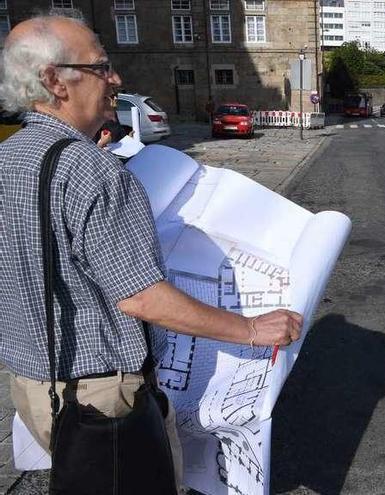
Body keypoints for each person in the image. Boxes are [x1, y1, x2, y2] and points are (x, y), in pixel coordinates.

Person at [0, 14, 303, 491]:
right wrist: (250, 328)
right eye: (101, 67)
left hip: (35, 387)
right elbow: (142, 298)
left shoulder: (11, 156)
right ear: (55, 81)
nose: (116, 79)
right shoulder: (91, 171)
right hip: (102, 397)